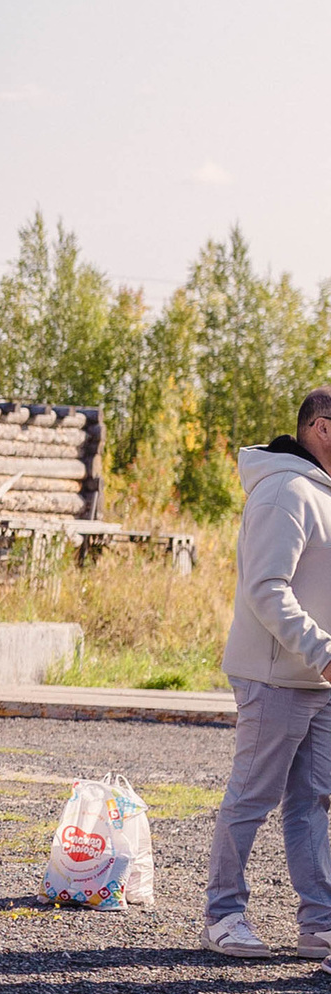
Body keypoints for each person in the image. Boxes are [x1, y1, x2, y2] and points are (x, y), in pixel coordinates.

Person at [204, 384, 331, 959]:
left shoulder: (322, 493)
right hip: (278, 674)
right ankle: (223, 916)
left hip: (317, 677)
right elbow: (266, 588)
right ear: (322, 428)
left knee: (312, 803)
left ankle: (319, 924)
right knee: (251, 798)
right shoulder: (285, 491)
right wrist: (322, 651)